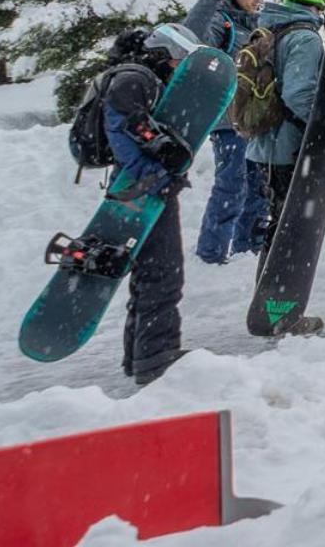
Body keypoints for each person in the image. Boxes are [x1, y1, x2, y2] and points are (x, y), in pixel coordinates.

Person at [98, 22, 206, 385]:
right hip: (143, 186)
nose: (178, 70)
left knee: (150, 273)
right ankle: (156, 359)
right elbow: (127, 127)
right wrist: (162, 157)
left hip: (144, 184)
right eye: (177, 62)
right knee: (163, 272)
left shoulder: (138, 76)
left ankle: (141, 355)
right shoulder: (134, 79)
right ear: (162, 54)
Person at [244, 0, 325, 334]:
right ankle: (281, 310)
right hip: (289, 148)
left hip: (265, 145)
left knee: (279, 229)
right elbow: (298, 93)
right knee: (290, 233)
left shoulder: (271, 26)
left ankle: (272, 303)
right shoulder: (304, 37)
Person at [185, 0, 269, 263]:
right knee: (232, 183)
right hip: (228, 120)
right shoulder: (222, 21)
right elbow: (192, 39)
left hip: (253, 119)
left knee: (259, 185)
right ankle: (212, 252)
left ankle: (248, 248)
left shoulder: (257, 23)